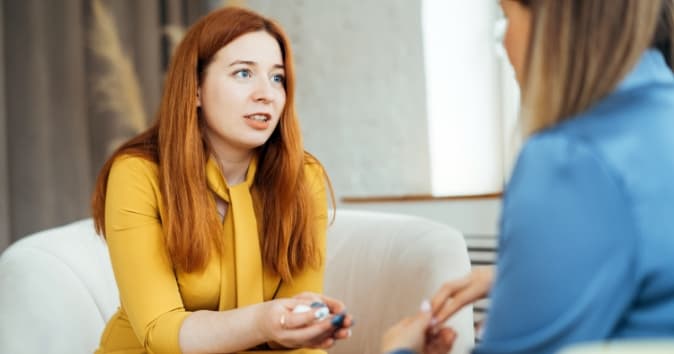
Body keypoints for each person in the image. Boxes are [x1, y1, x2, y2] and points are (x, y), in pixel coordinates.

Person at [383, 0, 674, 353]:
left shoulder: (572, 160)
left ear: (553, 20)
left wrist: (398, 351)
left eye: (507, 17)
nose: (504, 44)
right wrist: (518, 278)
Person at [91, 6, 352, 354]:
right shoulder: (137, 174)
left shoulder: (304, 178)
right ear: (195, 90)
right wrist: (264, 320)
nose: (266, 94)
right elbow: (161, 332)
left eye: (277, 78)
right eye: (243, 73)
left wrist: (305, 324)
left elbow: (284, 332)